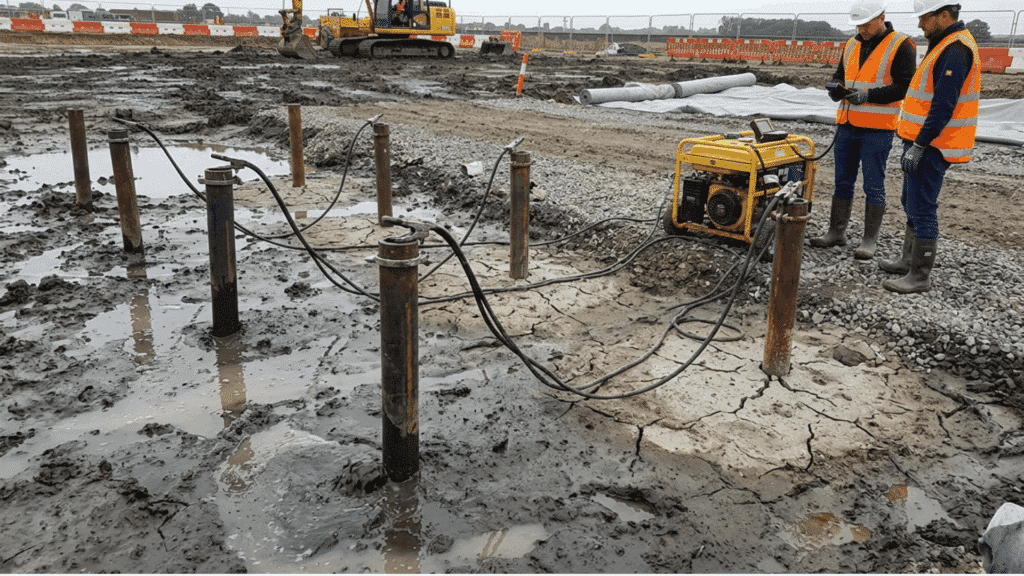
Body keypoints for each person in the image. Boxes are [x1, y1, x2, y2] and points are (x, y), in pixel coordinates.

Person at [880, 1, 980, 293]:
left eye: (925, 19)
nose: (921, 24)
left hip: (934, 145)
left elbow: (943, 105)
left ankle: (919, 274)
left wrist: (920, 144)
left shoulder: (956, 49)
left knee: (923, 207)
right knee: (910, 201)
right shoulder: (943, 44)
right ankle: (908, 260)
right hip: (921, 141)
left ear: (944, 16)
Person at [811, 0, 916, 260]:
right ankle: (836, 232)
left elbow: (904, 87)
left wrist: (868, 95)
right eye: (859, 25)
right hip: (847, 125)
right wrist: (836, 88)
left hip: (877, 129)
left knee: (873, 185)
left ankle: (869, 240)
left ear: (881, 18)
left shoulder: (901, 45)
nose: (863, 29)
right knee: (842, 182)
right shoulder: (851, 44)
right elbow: (839, 74)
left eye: (867, 24)